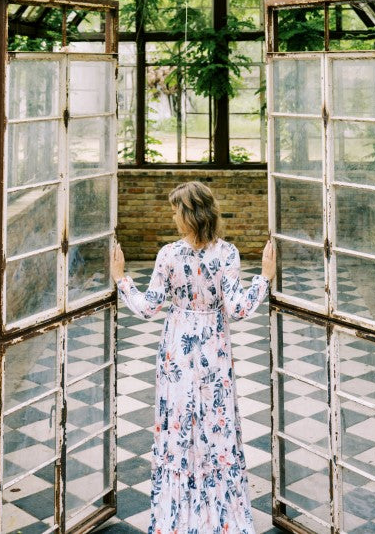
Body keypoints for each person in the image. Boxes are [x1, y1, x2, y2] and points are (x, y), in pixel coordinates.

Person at [111, 180, 276, 534]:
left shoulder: (168, 254)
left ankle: (177, 513)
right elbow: (238, 309)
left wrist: (122, 279)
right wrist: (263, 279)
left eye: (176, 210)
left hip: (177, 346)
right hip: (213, 346)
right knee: (215, 423)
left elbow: (148, 308)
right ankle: (220, 513)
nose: (173, 216)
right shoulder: (227, 253)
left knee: (178, 424)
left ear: (190, 214)